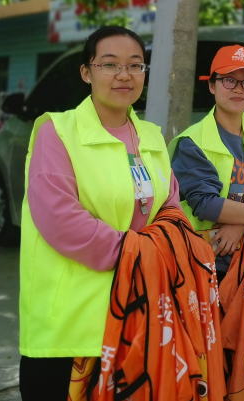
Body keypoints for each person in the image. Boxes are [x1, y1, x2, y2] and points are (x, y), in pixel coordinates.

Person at [18, 26, 181, 400]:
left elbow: (171, 206)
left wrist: (165, 246)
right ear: (86, 72)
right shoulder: (57, 132)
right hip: (72, 327)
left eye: (135, 66)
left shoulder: (152, 137)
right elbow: (60, 219)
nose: (124, 75)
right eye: (110, 65)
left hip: (139, 317)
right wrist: (136, 253)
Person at [170, 45, 244, 282]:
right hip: (203, 264)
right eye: (229, 80)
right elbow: (206, 204)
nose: (239, 89)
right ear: (211, 85)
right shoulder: (192, 141)